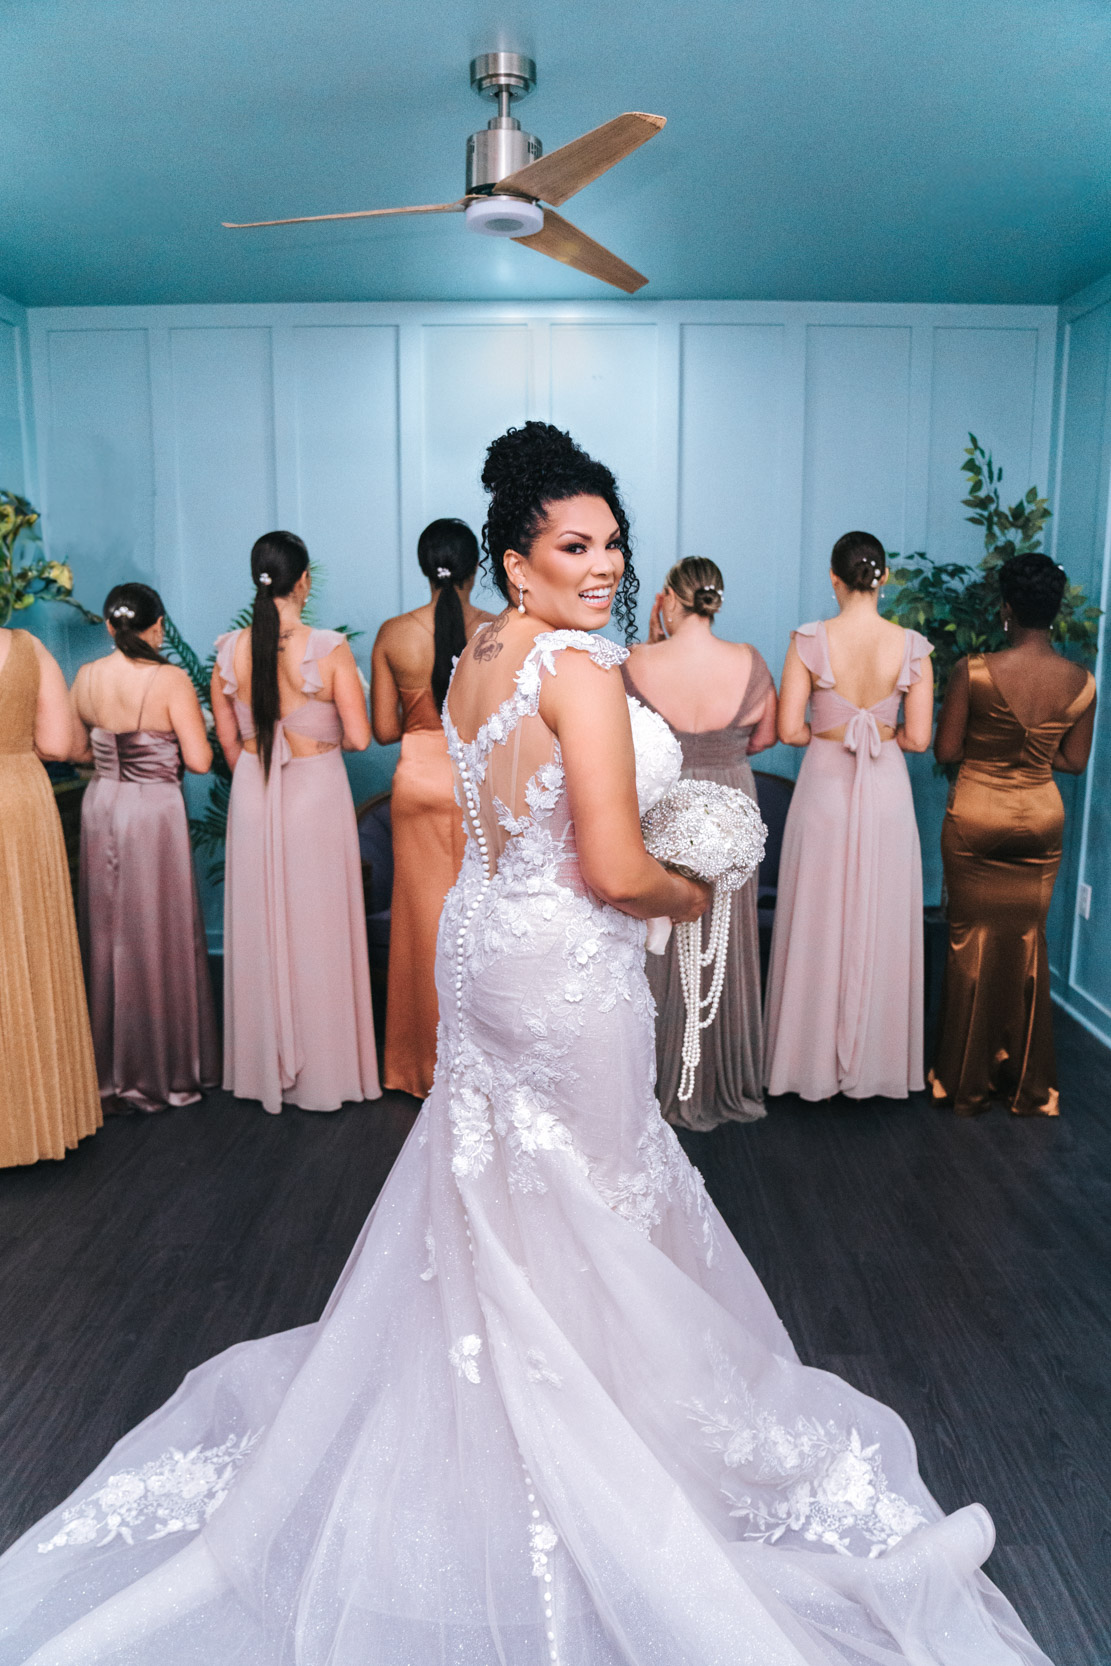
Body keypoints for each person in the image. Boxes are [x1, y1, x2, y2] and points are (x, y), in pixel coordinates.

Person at [0, 433, 1051, 1666]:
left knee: (502, 1182)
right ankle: (587, 1431)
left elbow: (515, 808)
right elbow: (610, 868)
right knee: (598, 1196)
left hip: (484, 942)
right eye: (574, 546)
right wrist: (697, 886)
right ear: (517, 557)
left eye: (612, 543)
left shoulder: (479, 651)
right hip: (562, 965)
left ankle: (504, 1389)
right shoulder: (586, 674)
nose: (604, 565)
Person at [210, 531, 380, 1115]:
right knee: (318, 928)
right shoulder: (327, 648)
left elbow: (228, 743)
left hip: (254, 797)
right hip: (314, 795)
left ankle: (260, 1071)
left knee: (263, 925)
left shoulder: (229, 648)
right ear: (302, 581)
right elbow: (359, 737)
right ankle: (324, 1074)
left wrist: (262, 778)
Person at [765, 531, 934, 1100]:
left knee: (819, 913)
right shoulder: (913, 646)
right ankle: (877, 1065)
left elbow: (789, 730)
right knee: (880, 913)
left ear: (834, 580)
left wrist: (830, 730)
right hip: (885, 787)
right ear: (881, 579)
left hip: (826, 784)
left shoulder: (810, 639)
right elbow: (918, 739)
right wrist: (875, 727)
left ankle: (805, 1064)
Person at [931, 552, 1096, 1116]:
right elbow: (1074, 761)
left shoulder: (973, 672)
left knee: (967, 944)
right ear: (1053, 612)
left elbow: (947, 750)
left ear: (1006, 609)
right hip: (1040, 820)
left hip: (978, 816)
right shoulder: (1081, 680)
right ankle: (1025, 1082)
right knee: (1027, 943)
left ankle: (963, 1080)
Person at [622, 556, 777, 1129]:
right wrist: (720, 756)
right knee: (725, 935)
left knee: (653, 934)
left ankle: (651, 1078)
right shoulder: (751, 662)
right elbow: (767, 735)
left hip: (662, 802)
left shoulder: (635, 661)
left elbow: (617, 741)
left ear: (667, 597)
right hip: (733, 799)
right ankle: (720, 1079)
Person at [71, 583, 219, 1112]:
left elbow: (69, 747)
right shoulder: (170, 679)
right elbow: (200, 762)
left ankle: (108, 1069)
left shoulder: (86, 676)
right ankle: (164, 1068)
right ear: (157, 627)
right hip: (152, 809)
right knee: (157, 930)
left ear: (110, 627)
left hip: (101, 803)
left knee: (108, 930)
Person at [371, 519, 495, 1097]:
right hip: (479, 788)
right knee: (485, 923)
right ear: (478, 567)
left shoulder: (394, 633)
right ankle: (484, 1069)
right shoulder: (498, 631)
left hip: (417, 782)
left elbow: (382, 728)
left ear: (425, 567)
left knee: (423, 927)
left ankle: (421, 1064)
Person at [0, 625, 100, 1167]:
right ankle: (36, 1119)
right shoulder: (28, 646)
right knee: (26, 953)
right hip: (17, 800)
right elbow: (61, 745)